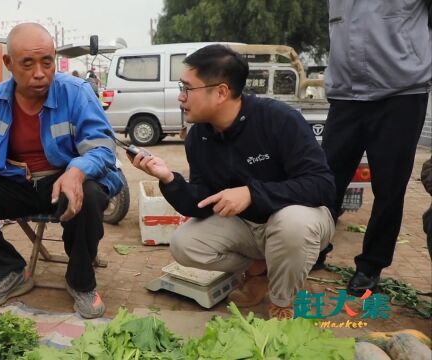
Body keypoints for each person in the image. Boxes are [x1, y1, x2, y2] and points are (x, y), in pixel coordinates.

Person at [129, 44, 336, 320]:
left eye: (187, 88)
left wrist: (252, 193)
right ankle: (260, 269)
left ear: (221, 92)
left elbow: (322, 185)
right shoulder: (199, 137)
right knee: (184, 243)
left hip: (299, 218)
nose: (181, 97)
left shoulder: (279, 119)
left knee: (292, 225)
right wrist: (168, 178)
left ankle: (283, 301)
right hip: (247, 226)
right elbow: (201, 203)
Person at [0, 23, 123, 319]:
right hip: (17, 183)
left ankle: (80, 281)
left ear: (54, 60)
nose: (40, 73)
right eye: (28, 63)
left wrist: (76, 171)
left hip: (63, 182)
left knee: (90, 193)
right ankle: (8, 272)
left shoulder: (76, 93)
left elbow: (103, 148)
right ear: (8, 63)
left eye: (47, 62)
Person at [320, 0, 431, 296]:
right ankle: (314, 247)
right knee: (324, 179)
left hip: (402, 95)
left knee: (389, 187)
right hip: (345, 95)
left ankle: (370, 267)